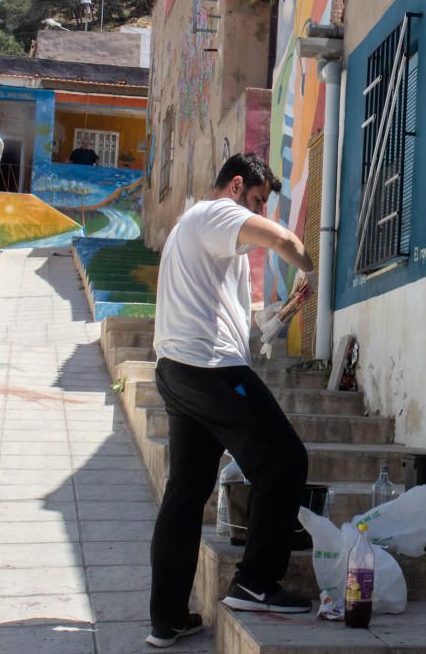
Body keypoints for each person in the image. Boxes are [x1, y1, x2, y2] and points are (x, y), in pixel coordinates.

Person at [146, 153, 317, 648]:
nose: (260, 212)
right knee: (284, 460)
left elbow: (235, 314)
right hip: (212, 371)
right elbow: (284, 240)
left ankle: (168, 617)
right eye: (259, 201)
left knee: (186, 492)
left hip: (178, 371)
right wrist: (313, 267)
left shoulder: (190, 231)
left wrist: (283, 311)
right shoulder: (217, 212)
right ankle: (255, 582)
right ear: (237, 185)